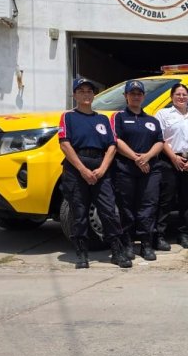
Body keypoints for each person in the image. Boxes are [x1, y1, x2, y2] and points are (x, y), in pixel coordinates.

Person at [58, 78, 131, 269]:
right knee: (79, 213)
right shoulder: (68, 117)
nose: (86, 95)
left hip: (100, 167)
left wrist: (102, 169)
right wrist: (83, 170)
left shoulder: (102, 119)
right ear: (74, 95)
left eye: (89, 91)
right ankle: (82, 254)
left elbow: (112, 146)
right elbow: (65, 144)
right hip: (76, 168)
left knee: (108, 212)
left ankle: (117, 252)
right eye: (81, 91)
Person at [112, 79, 164, 262]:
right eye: (132, 93)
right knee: (126, 207)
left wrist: (146, 157)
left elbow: (159, 142)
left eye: (139, 93)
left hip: (150, 168)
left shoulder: (151, 120)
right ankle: (127, 244)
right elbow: (116, 141)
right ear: (126, 96)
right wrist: (136, 158)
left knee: (148, 207)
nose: (135, 96)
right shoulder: (118, 117)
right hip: (126, 167)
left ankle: (146, 244)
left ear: (143, 96)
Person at [155, 83, 188, 250]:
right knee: (166, 198)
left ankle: (183, 233)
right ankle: (159, 235)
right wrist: (173, 158)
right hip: (169, 160)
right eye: (178, 94)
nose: (181, 97)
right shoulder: (163, 114)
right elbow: (160, 139)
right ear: (171, 97)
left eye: (184, 94)